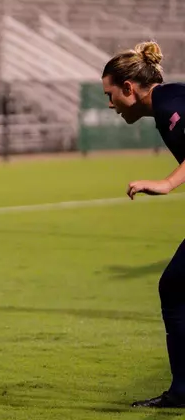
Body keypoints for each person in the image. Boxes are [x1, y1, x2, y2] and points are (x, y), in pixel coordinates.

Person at [102, 40, 185, 408]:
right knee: (176, 287)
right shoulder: (170, 101)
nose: (110, 105)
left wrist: (167, 182)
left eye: (110, 95)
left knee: (176, 288)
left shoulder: (169, 105)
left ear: (128, 89)